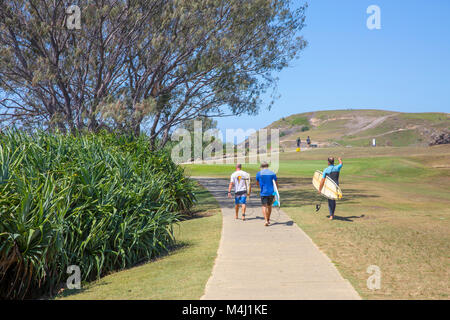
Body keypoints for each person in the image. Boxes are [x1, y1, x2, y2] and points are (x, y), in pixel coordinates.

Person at [255, 161, 278, 226]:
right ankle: (268, 219)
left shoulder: (259, 173)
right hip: (271, 192)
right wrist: (276, 191)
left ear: (261, 167)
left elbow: (257, 182)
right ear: (268, 166)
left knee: (264, 206)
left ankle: (265, 220)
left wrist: (260, 186)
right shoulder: (272, 173)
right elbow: (276, 183)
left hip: (263, 192)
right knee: (269, 206)